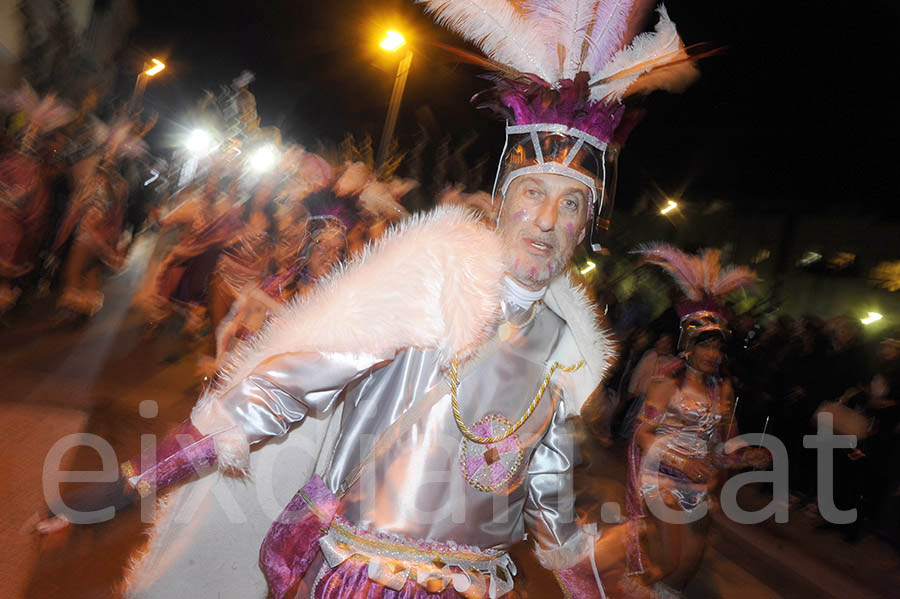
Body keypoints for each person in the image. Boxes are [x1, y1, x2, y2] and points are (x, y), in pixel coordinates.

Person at [36, 3, 700, 598]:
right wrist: (131, 481)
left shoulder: (566, 344)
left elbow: (550, 503)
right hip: (367, 579)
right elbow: (284, 387)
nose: (548, 219)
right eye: (533, 193)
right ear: (504, 199)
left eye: (572, 202)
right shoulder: (435, 275)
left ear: (588, 223)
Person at [625, 245, 770, 597]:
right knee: (671, 563)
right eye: (704, 346)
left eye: (717, 348)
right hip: (663, 477)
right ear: (688, 345)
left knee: (687, 567)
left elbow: (723, 446)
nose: (711, 354)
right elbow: (643, 434)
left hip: (700, 483)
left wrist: (745, 456)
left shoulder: (724, 390)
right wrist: (682, 461)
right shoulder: (664, 383)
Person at [0, 85, 74, 313]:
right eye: (26, 132)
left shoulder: (39, 173)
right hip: (9, 216)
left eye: (36, 132)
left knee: (14, 256)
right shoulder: (9, 163)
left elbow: (36, 211)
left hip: (21, 224)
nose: (31, 133)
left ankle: (9, 294)